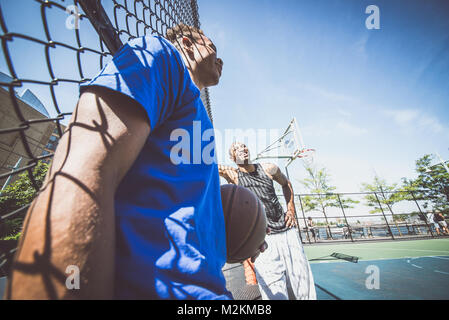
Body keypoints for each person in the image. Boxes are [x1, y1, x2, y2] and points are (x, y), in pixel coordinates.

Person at [5, 24, 264, 300]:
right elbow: (82, 172)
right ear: (188, 44)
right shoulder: (162, 57)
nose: (220, 59)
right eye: (213, 48)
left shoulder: (201, 118)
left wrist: (243, 229)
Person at [218, 142, 316, 300]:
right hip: (262, 240)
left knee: (303, 290)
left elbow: (287, 184)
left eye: (244, 146)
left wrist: (291, 209)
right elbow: (209, 167)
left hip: (287, 233)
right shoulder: (233, 174)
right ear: (232, 157)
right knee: (274, 292)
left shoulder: (269, 168)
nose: (242, 149)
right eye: (236, 148)